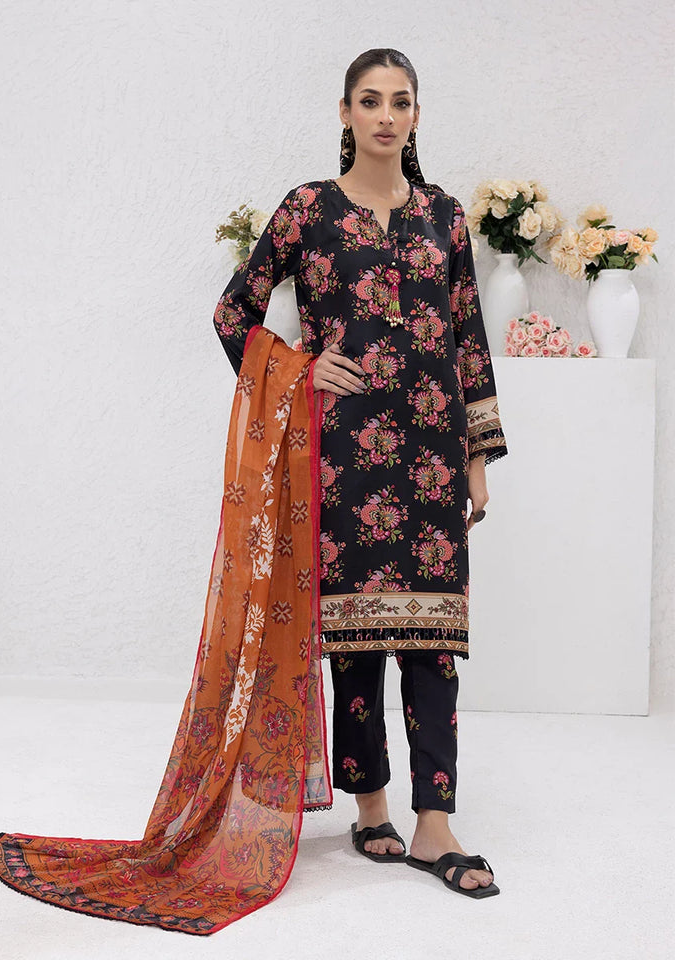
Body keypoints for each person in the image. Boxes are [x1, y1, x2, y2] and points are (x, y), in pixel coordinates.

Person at [213, 47, 508, 899]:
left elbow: (469, 339)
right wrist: (300, 370)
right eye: (370, 100)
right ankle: (371, 806)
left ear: (416, 114)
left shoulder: (445, 216)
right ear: (344, 112)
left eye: (400, 101)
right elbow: (234, 311)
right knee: (355, 640)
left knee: (435, 640)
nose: (386, 115)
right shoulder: (308, 210)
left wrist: (477, 457)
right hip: (341, 455)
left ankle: (435, 824)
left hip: (432, 455)